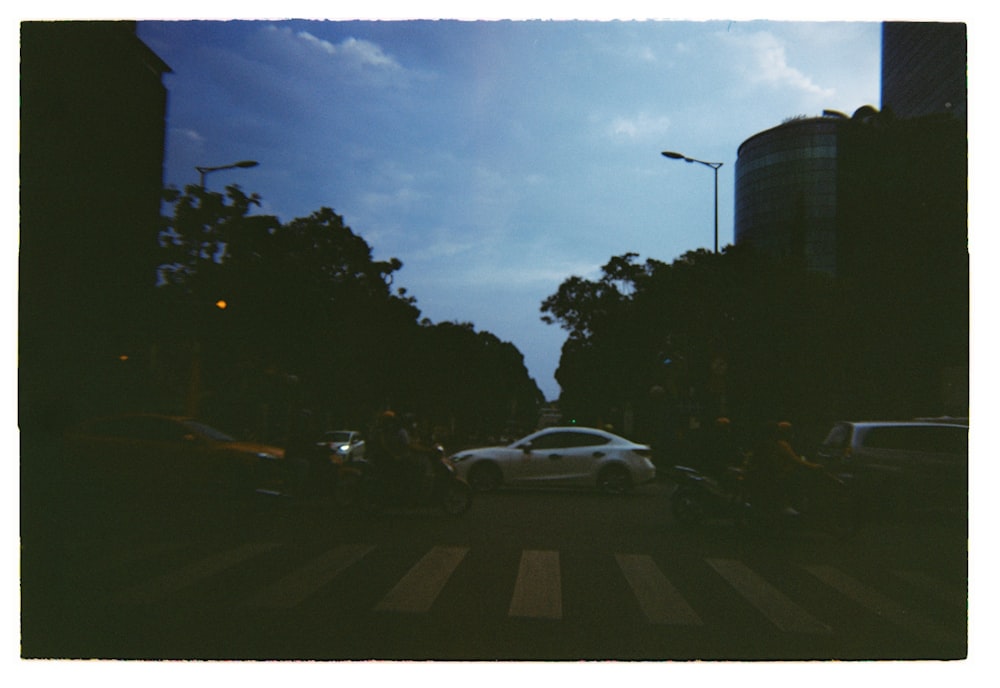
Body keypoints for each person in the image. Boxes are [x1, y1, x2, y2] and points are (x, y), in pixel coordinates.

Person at [747, 421, 823, 517]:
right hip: (776, 475)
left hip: (762, 474)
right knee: (800, 480)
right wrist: (813, 466)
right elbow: (795, 459)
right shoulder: (780, 444)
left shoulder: (761, 444)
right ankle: (790, 504)